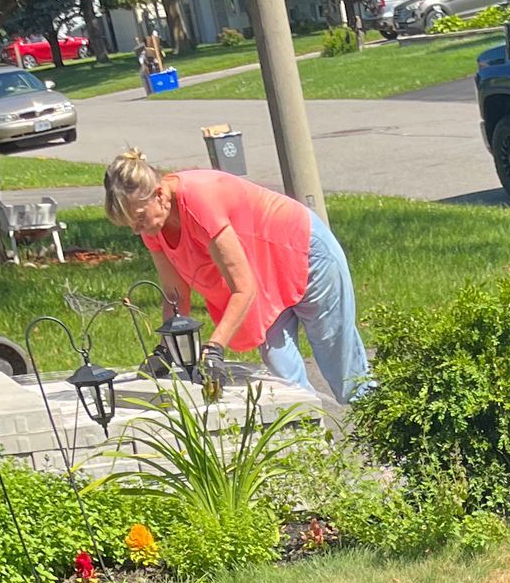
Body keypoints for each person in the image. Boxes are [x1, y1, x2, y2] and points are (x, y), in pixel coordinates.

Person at [103, 150, 370, 402]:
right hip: (262, 274)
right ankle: (310, 448)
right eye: (130, 225)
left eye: (139, 218)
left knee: (343, 370)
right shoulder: (154, 228)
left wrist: (215, 348)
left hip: (303, 252)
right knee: (285, 383)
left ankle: (393, 443)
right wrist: (166, 350)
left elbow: (243, 288)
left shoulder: (198, 202)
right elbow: (175, 294)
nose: (137, 230)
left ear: (159, 194)